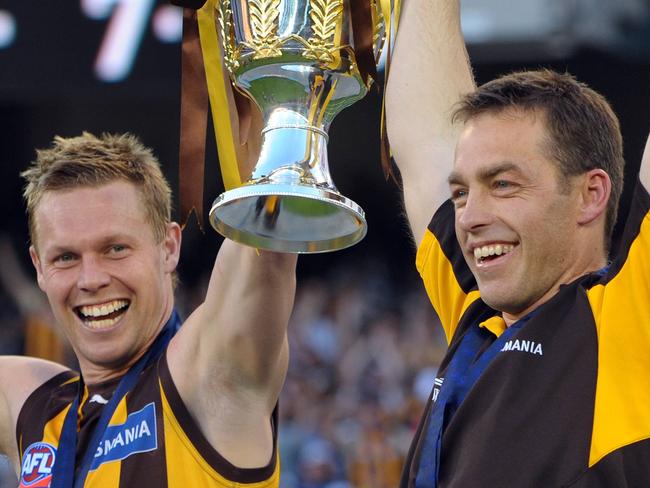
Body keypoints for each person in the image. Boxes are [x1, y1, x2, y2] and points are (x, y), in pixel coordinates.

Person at [386, 1, 650, 486]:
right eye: (461, 191)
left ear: (590, 195)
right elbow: (423, 143)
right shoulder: (476, 318)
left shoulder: (629, 320)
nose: (470, 217)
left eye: (504, 184)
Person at [0, 132, 297, 487]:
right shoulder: (33, 406)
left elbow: (267, 245)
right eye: (66, 257)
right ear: (38, 267)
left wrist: (284, 114)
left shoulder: (206, 376)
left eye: (115, 249)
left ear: (169, 247)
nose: (90, 279)